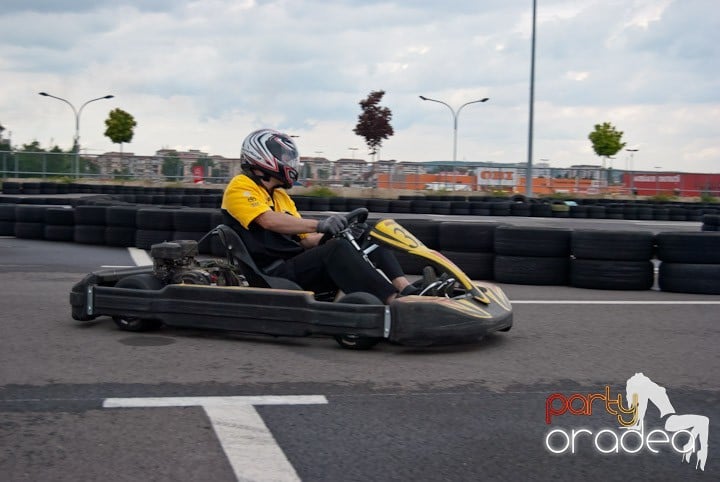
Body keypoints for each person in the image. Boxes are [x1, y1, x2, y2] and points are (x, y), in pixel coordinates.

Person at [220, 128, 420, 305]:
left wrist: (341, 231)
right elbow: (267, 220)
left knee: (367, 234)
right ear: (262, 156)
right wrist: (321, 225)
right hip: (273, 273)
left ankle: (406, 288)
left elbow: (307, 242)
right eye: (285, 158)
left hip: (298, 265)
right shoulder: (240, 186)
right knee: (337, 248)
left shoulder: (280, 196)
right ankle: (393, 302)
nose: (291, 164)